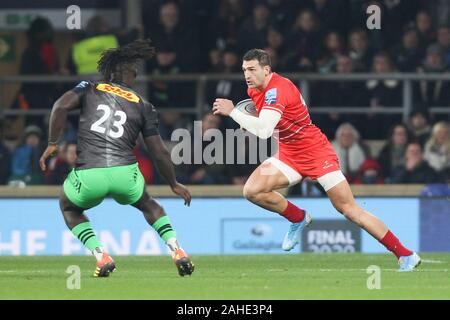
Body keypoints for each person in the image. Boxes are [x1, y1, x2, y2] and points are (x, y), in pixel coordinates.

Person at [212, 49, 420, 272]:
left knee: (349, 209)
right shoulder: (255, 89)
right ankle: (298, 217)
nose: (247, 75)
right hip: (290, 152)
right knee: (252, 190)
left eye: (252, 69)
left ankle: (404, 254)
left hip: (315, 151)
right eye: (244, 70)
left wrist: (233, 111)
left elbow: (263, 130)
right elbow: (268, 121)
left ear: (266, 69)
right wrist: (249, 119)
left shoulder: (277, 90)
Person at [39, 39, 194, 278]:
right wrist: (173, 183)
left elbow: (60, 106)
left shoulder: (88, 88)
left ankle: (100, 255)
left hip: (90, 174)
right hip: (125, 174)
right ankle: (177, 249)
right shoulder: (144, 105)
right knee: (149, 204)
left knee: (68, 206)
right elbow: (158, 151)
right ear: (130, 73)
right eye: (135, 72)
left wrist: (52, 143)